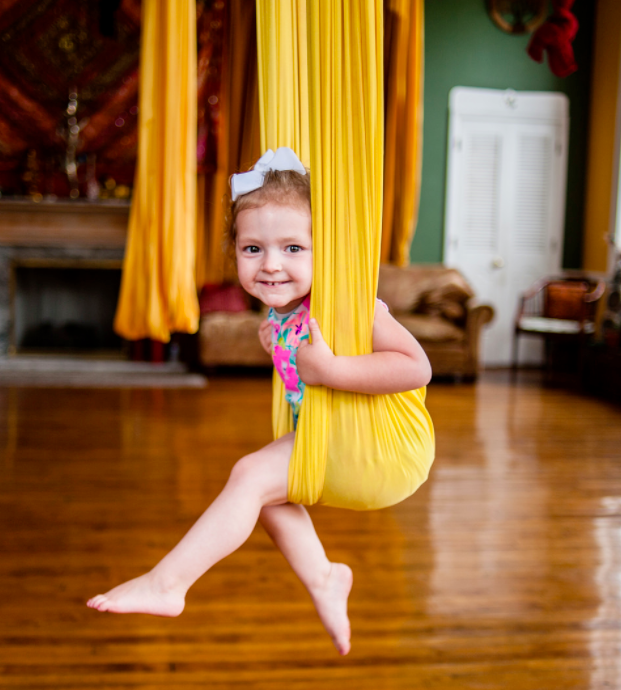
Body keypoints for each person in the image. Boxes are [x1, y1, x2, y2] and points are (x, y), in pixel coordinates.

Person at [87, 148, 432, 655]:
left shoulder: (350, 307)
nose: (271, 264)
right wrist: (280, 349)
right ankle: (323, 577)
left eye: (293, 248)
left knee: (250, 476)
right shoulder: (278, 321)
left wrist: (331, 368)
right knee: (266, 500)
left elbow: (416, 367)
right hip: (330, 445)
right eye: (253, 249)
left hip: (386, 450)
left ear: (324, 252)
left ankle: (169, 584)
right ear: (235, 251)